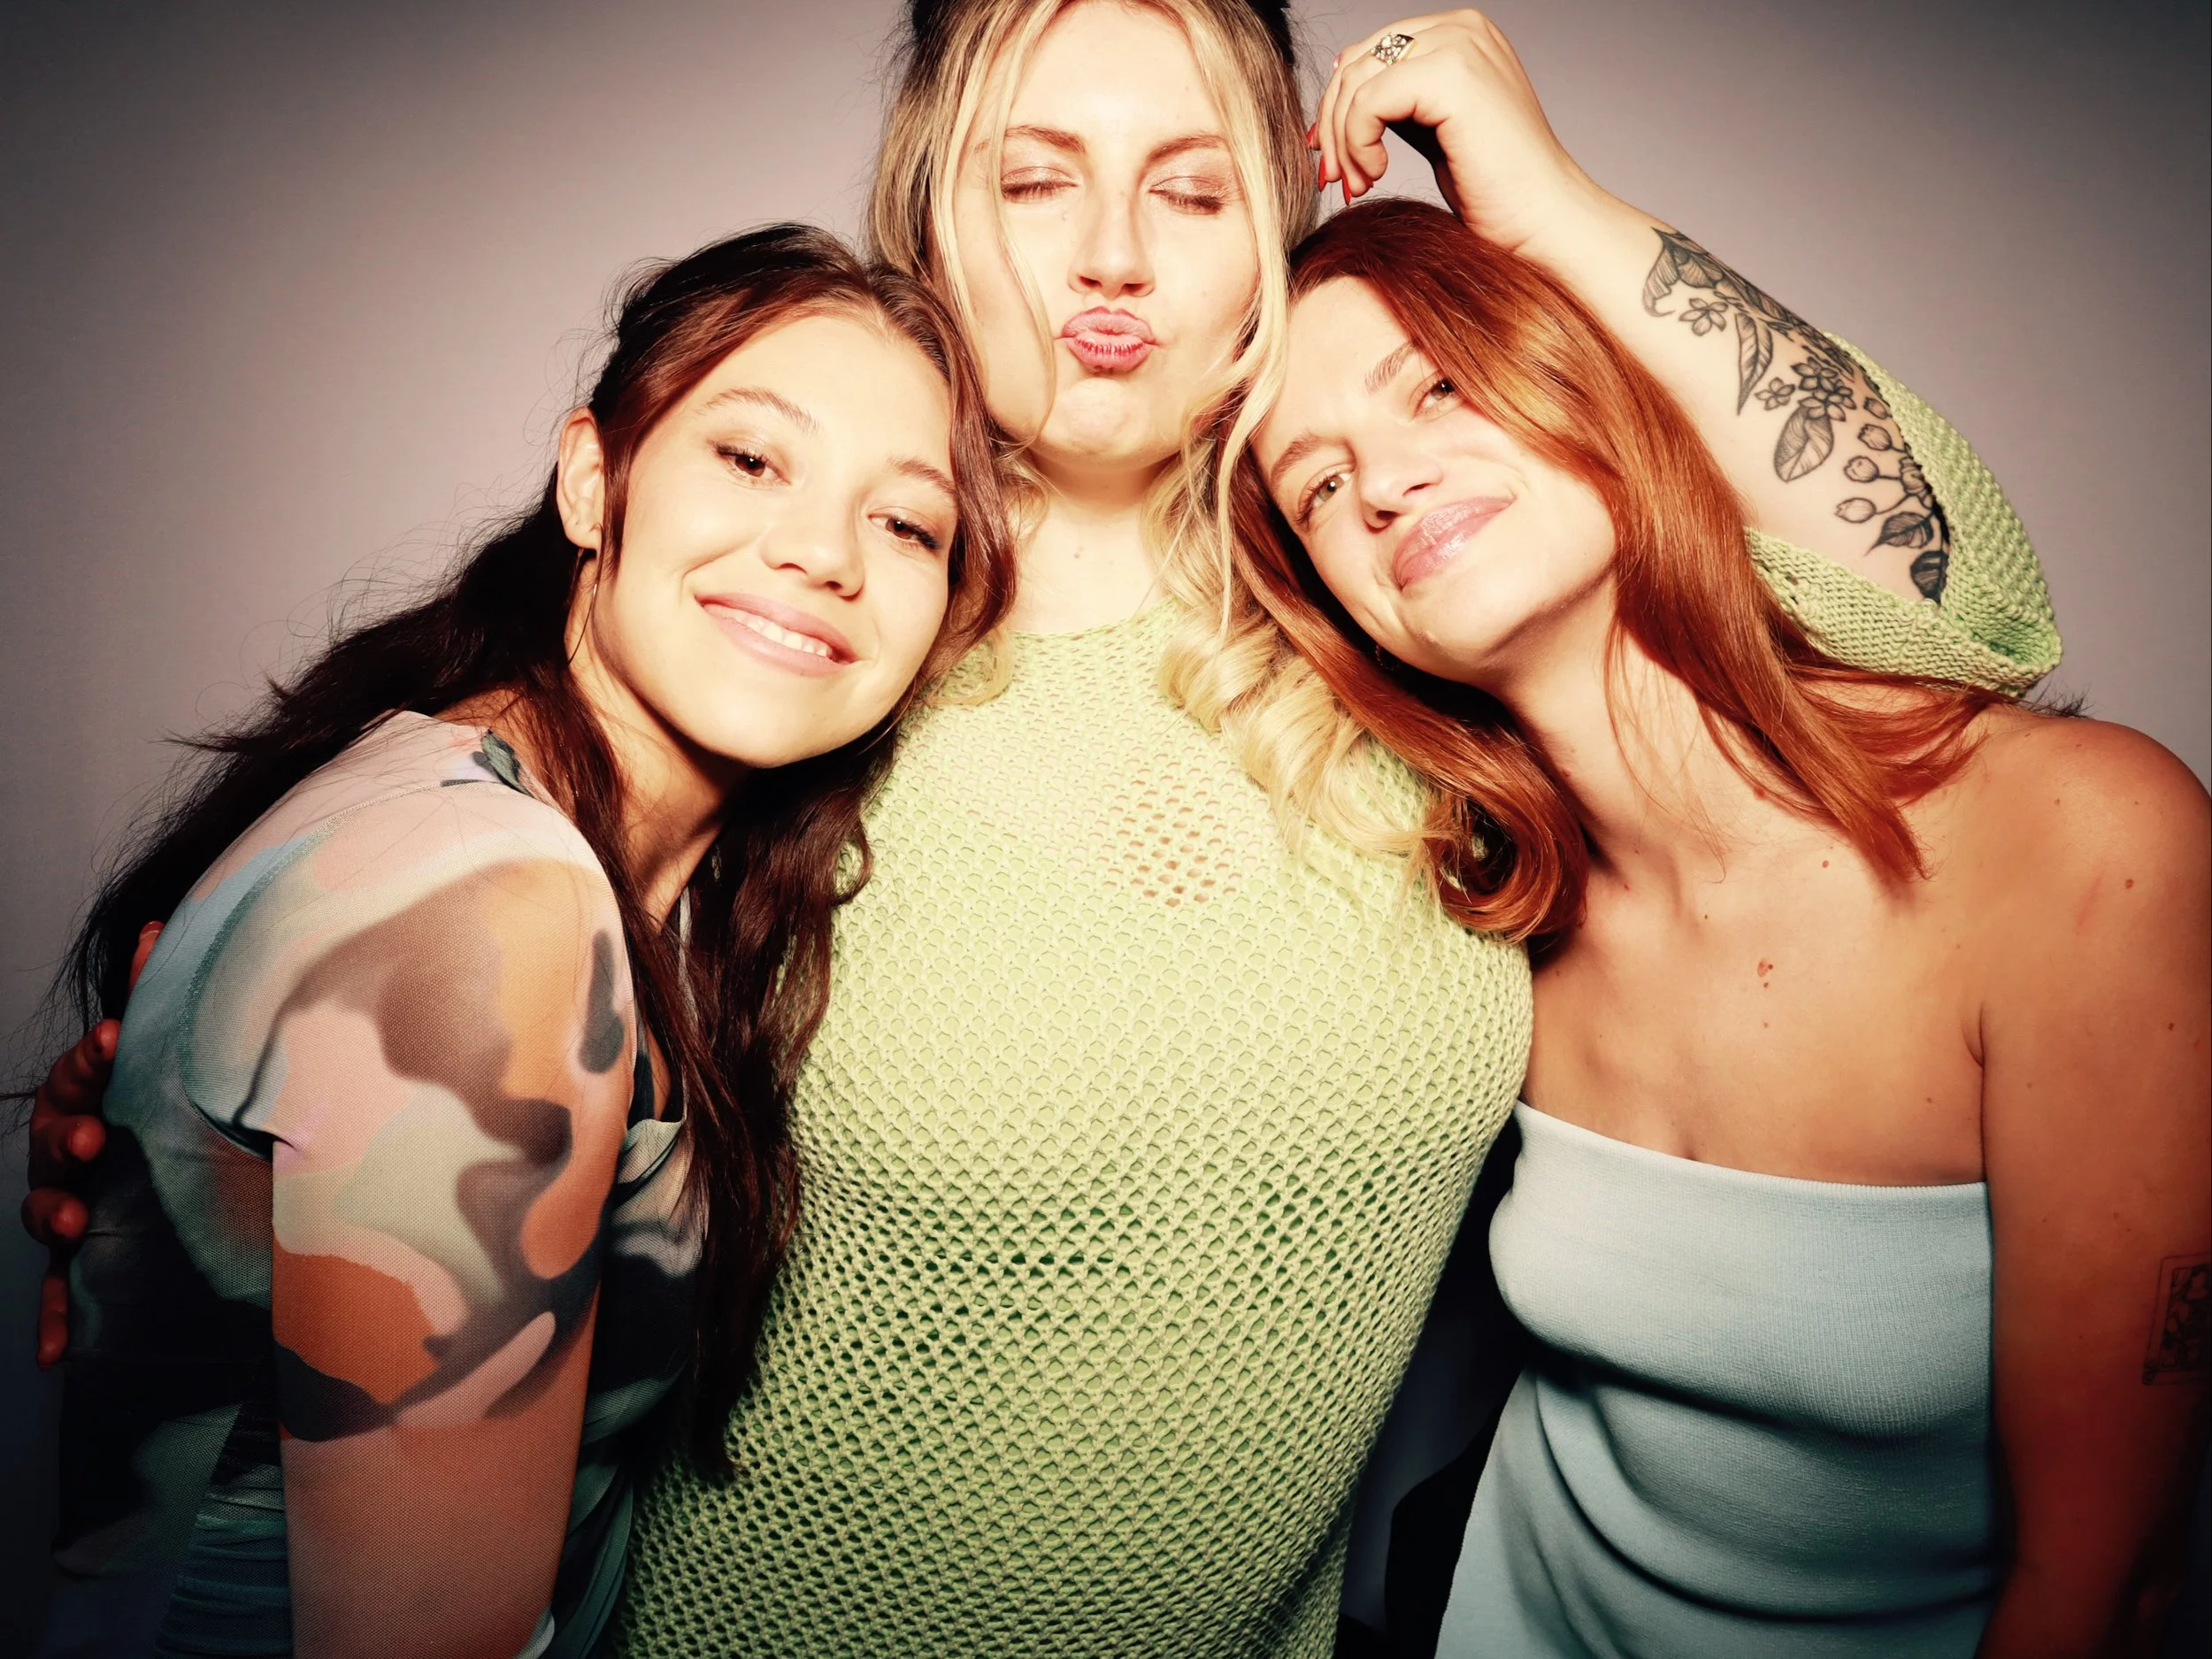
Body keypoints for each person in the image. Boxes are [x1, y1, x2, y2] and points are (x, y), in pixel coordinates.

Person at [23, 7, 2068, 1655]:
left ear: (1271, 236)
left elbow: (1968, 607)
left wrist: (1535, 195)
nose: (1111, 254)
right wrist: (192, 1156)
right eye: (1036, 178)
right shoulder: (822, 654)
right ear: (933, 226)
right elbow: (434, 940)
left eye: (1190, 189)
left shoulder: (1398, 615)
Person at [1241, 173, 2208, 1659]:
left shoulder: (2080, 846)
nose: (1381, 482)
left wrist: (1531, 179)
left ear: (1587, 375)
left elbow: (2108, 1588)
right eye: (1317, 483)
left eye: (1438, 385)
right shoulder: (1474, 932)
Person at [26, 225, 1014, 1658]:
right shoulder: (495, 905)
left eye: (907, 522)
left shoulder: (603, 876)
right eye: (751, 458)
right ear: (592, 479)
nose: (820, 551)